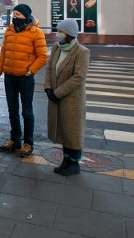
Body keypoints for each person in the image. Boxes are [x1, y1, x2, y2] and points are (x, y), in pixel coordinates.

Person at [0, 4, 47, 158]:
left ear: (26, 16)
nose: (15, 16)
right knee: (12, 110)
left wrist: (30, 70)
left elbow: (42, 56)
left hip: (25, 78)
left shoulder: (36, 32)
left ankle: (28, 143)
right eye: (14, 13)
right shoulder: (9, 31)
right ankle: (15, 139)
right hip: (9, 77)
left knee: (27, 111)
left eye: (18, 14)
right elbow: (4, 53)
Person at [44, 19, 90, 176]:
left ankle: (74, 163)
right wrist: (48, 87)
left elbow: (78, 78)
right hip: (57, 96)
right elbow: (49, 67)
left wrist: (57, 93)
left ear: (69, 34)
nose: (58, 34)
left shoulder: (82, 52)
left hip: (72, 99)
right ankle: (66, 159)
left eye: (61, 31)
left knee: (73, 131)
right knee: (63, 130)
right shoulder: (57, 47)